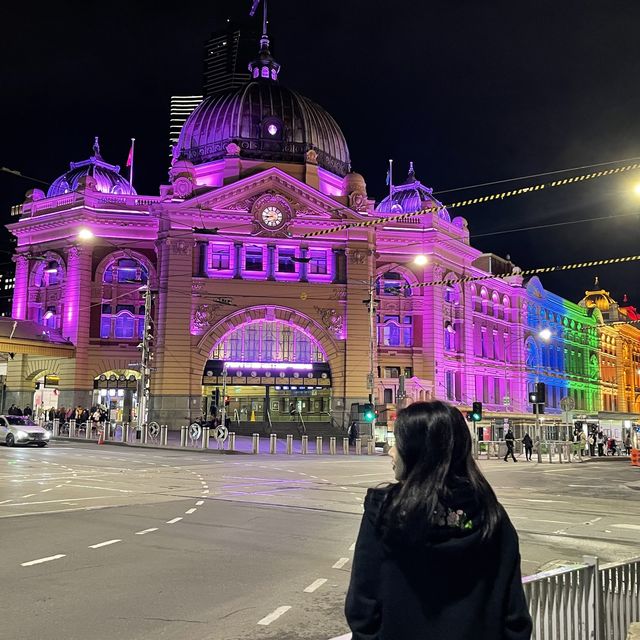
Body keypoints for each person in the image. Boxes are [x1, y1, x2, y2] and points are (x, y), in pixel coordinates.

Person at [345, 401, 532, 640]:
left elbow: (362, 607)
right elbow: (514, 617)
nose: (391, 451)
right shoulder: (490, 514)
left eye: (398, 442)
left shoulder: (385, 511)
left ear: (419, 451)